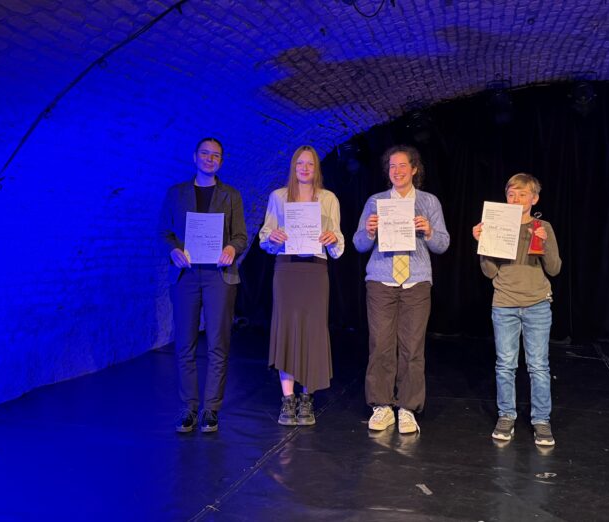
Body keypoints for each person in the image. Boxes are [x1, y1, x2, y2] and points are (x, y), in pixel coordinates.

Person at [353, 145, 450, 435]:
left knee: (412, 347)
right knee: (381, 345)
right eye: (392, 166)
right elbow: (358, 244)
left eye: (402, 165)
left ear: (414, 169)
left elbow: (443, 244)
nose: (397, 171)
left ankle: (407, 408)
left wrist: (429, 231)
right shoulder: (376, 201)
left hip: (415, 281)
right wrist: (369, 231)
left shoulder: (428, 201)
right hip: (381, 281)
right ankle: (382, 406)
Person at [159, 137, 248, 433]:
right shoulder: (176, 194)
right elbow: (164, 232)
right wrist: (173, 250)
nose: (210, 159)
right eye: (205, 154)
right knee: (184, 342)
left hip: (218, 276)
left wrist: (232, 248)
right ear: (194, 157)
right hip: (185, 274)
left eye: (216, 156)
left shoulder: (231, 195)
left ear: (221, 161)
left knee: (218, 343)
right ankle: (188, 407)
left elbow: (240, 235)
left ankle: (211, 409)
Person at [472, 173, 561, 446]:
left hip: (537, 304)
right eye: (511, 194)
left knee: (538, 366)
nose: (516, 199)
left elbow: (554, 268)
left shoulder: (543, 226)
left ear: (534, 198)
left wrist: (544, 243)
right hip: (504, 304)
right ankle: (506, 415)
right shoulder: (498, 225)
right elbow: (489, 272)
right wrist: (483, 244)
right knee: (505, 365)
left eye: (522, 194)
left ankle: (541, 420)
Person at [259, 145, 344, 426]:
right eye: (300, 163)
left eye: (310, 164)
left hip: (315, 270)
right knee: (286, 328)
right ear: (293, 167)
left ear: (317, 168)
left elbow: (338, 239)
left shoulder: (328, 198)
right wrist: (273, 237)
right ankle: (288, 399)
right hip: (287, 269)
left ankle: (307, 398)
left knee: (313, 331)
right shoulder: (278, 197)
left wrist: (333, 238)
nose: (305, 168)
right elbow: (265, 236)